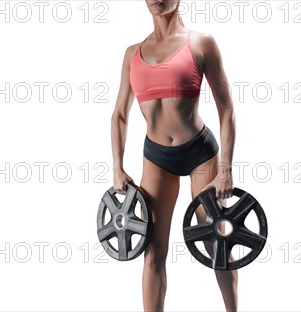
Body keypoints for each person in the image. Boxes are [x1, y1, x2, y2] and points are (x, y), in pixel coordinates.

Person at [110, 0, 238, 311]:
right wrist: (117, 166)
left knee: (215, 240)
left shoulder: (201, 44)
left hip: (200, 152)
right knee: (153, 251)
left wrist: (226, 167)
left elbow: (227, 109)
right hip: (157, 157)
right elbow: (119, 116)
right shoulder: (132, 54)